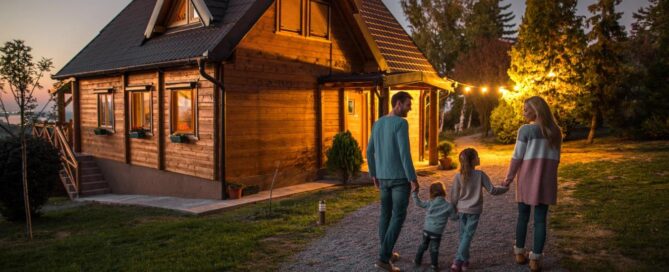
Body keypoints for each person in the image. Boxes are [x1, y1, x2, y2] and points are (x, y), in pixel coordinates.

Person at [501, 96, 562, 272]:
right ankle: (535, 259)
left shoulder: (525, 130)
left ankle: (519, 253)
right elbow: (556, 160)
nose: (523, 112)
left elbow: (517, 157)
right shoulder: (556, 132)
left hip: (527, 179)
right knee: (541, 220)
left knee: (523, 216)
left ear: (536, 110)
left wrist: (509, 178)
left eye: (526, 109)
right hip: (547, 181)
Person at [367, 91, 419, 272]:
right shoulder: (401, 123)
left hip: (382, 177)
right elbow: (405, 153)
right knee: (398, 216)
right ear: (398, 104)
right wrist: (412, 178)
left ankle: (387, 253)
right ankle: (383, 258)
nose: (409, 109)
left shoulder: (378, 123)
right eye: (407, 105)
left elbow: (369, 151)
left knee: (385, 215)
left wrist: (373, 173)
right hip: (399, 179)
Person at [449, 148, 508, 272]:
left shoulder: (458, 176)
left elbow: (453, 196)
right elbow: (492, 190)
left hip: (461, 210)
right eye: (477, 156)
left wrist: (453, 210)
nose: (479, 158)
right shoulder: (480, 175)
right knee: (467, 237)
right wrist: (505, 188)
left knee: (463, 236)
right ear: (472, 161)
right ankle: (458, 260)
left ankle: (465, 262)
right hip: (474, 211)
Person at [412, 182, 457, 271]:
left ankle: (417, 260)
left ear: (431, 193)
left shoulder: (430, 202)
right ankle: (434, 266)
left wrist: (414, 194)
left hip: (427, 230)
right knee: (434, 249)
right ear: (444, 192)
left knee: (423, 245)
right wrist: (459, 211)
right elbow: (454, 218)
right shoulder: (449, 206)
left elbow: (419, 203)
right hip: (437, 232)